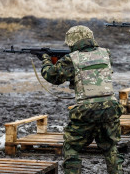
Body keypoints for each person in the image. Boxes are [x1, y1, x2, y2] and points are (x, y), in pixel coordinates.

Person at [41, 25, 124, 174]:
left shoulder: (70, 59)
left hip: (87, 110)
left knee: (71, 147)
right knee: (110, 147)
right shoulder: (106, 53)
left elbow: (53, 76)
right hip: (111, 107)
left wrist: (46, 60)